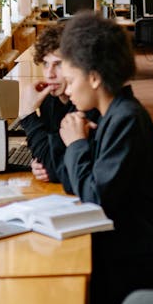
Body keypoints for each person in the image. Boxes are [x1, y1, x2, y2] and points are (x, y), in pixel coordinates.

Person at [57, 12, 153, 304]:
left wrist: (77, 146)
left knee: (62, 297)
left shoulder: (126, 120)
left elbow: (95, 201)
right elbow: (80, 186)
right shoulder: (111, 116)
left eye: (70, 81)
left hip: (151, 264)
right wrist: (81, 145)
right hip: (135, 246)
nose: (67, 91)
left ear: (94, 77)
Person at [15, 22, 99, 191]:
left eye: (58, 64)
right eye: (46, 64)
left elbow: (57, 165)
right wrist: (38, 163)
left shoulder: (86, 105)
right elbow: (51, 154)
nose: (49, 74)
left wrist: (28, 115)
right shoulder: (48, 100)